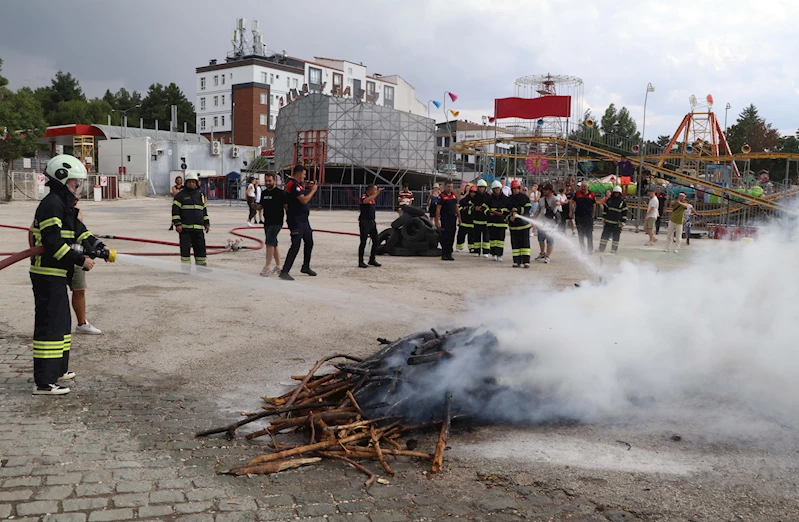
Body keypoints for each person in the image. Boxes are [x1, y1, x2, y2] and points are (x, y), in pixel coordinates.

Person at [30, 154, 107, 395]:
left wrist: (97, 246)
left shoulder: (64, 205)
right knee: (50, 325)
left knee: (62, 323)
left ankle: (58, 370)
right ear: (62, 180)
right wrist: (80, 259)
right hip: (46, 274)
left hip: (57, 274)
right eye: (75, 183)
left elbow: (79, 231)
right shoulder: (52, 204)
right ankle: (44, 382)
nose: (78, 187)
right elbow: (53, 243)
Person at [280, 165, 318, 280]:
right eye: (304, 174)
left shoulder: (299, 185)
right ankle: (284, 271)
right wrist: (313, 191)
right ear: (299, 173)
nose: (304, 177)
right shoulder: (293, 184)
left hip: (304, 220)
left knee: (309, 242)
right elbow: (303, 200)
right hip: (296, 221)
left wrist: (307, 189)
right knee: (295, 245)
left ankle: (305, 266)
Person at [172, 172, 210, 272]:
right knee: (185, 250)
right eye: (190, 182)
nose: (192, 184)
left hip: (198, 229)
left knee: (200, 249)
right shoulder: (180, 196)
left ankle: (201, 268)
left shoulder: (200, 195)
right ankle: (186, 269)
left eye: (193, 182)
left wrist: (207, 223)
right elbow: (175, 211)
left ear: (197, 183)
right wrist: (177, 224)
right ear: (186, 183)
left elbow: (204, 210)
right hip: (185, 229)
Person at [256, 173, 286, 276]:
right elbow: (261, 206)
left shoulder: (280, 193)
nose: (268, 183)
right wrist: (253, 205)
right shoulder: (264, 193)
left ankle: (267, 267)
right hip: (267, 221)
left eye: (270, 181)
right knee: (274, 243)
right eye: (266, 181)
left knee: (269, 243)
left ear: (274, 181)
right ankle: (278, 266)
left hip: (277, 222)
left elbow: (286, 206)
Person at [358, 184, 383, 268]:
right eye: (375, 190)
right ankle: (360, 261)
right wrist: (376, 194)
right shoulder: (364, 197)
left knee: (376, 240)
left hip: (372, 221)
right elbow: (365, 201)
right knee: (363, 241)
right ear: (370, 190)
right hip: (364, 222)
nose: (376, 191)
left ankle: (372, 259)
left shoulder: (372, 199)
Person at [508, 180, 532, 267]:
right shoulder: (509, 199)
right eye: (514, 189)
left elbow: (528, 208)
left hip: (524, 225)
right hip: (514, 226)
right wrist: (509, 218)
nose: (516, 190)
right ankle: (516, 261)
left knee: (525, 243)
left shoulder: (524, 197)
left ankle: (526, 261)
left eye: (517, 188)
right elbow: (506, 211)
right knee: (515, 244)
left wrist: (518, 210)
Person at [598, 186, 628, 254]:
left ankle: (614, 250)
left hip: (617, 223)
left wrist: (623, 222)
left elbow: (624, 212)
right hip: (608, 222)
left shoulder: (622, 202)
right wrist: (604, 217)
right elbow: (605, 209)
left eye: (618, 193)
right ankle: (601, 248)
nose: (616, 194)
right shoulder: (609, 200)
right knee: (604, 236)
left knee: (616, 238)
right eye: (615, 193)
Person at [533, 184, 558, 264]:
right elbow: (538, 210)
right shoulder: (541, 199)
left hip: (550, 223)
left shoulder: (555, 199)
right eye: (544, 190)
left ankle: (548, 256)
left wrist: (558, 204)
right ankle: (542, 253)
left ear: (550, 191)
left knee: (550, 240)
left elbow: (558, 205)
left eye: (546, 190)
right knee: (541, 239)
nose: (544, 191)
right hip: (541, 222)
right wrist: (534, 219)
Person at [435, 181, 460, 261]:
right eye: (448, 186)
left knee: (452, 236)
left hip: (453, 218)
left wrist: (459, 217)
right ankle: (444, 254)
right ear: (445, 187)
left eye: (451, 187)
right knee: (445, 236)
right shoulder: (441, 196)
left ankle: (449, 253)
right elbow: (438, 208)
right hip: (445, 219)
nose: (450, 188)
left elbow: (456, 207)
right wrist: (436, 220)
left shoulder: (453, 195)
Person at [487, 180, 510, 262]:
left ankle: (499, 254)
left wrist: (500, 211)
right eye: (495, 189)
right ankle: (493, 253)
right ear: (493, 189)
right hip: (491, 222)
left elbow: (508, 209)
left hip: (501, 222)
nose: (497, 190)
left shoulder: (505, 199)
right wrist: (489, 212)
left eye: (498, 189)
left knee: (500, 240)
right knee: (492, 239)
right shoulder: (489, 198)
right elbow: (485, 207)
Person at [573, 182, 597, 254]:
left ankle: (590, 249)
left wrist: (593, 214)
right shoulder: (577, 194)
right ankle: (582, 249)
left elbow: (594, 204)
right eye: (582, 186)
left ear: (588, 187)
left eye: (584, 186)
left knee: (589, 233)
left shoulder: (592, 194)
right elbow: (572, 201)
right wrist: (571, 211)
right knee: (580, 233)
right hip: (579, 216)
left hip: (588, 217)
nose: (583, 188)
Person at [470, 179, 490, 257]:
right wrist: (475, 209)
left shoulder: (488, 197)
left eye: (483, 187)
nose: (481, 189)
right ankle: (477, 251)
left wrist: (484, 209)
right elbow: (470, 206)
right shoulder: (475, 197)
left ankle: (486, 251)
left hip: (485, 220)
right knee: (476, 236)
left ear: (485, 188)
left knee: (486, 236)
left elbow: (490, 206)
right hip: (476, 219)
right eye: (480, 187)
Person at [456, 184, 475, 252]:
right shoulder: (464, 200)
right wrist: (463, 209)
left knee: (472, 235)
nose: (473, 194)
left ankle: (471, 247)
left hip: (472, 220)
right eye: (471, 192)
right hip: (464, 220)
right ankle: (459, 247)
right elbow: (459, 208)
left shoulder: (477, 200)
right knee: (461, 234)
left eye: (474, 192)